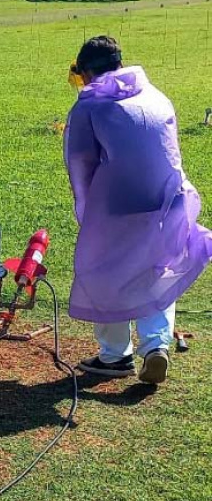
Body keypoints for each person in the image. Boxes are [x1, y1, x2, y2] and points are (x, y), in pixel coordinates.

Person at [65, 36, 212, 384]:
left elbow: (80, 163)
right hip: (169, 199)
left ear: (86, 71)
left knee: (106, 273)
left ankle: (115, 356)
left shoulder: (89, 106)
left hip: (120, 203)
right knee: (157, 269)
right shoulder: (157, 95)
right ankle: (155, 346)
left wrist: (87, 211)